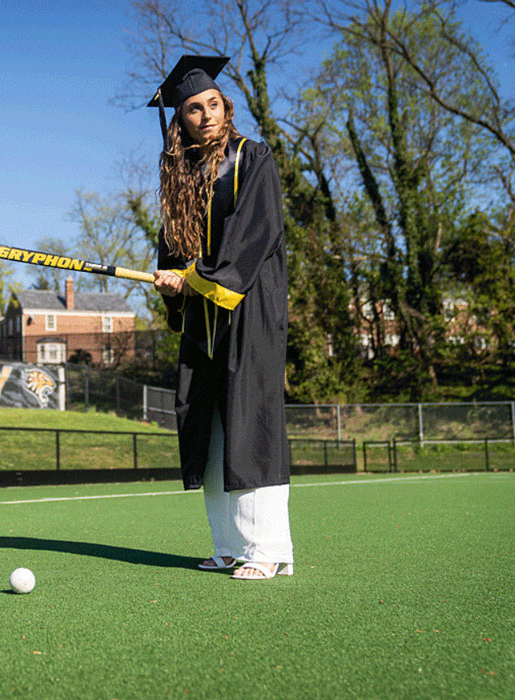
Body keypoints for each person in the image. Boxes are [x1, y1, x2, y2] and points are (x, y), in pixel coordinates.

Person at [149, 56, 293, 580]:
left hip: (248, 307)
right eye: (194, 109)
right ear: (180, 121)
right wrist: (172, 280)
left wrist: (200, 276)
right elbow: (172, 253)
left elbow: (256, 234)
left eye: (213, 104)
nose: (206, 115)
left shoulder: (253, 157)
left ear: (225, 108)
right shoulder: (179, 179)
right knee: (208, 423)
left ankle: (269, 549)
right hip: (201, 320)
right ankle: (230, 545)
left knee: (249, 420)